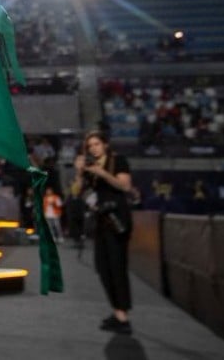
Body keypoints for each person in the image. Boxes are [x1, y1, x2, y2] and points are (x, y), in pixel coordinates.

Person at [73, 130, 133, 335]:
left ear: (105, 144)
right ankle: (117, 311)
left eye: (96, 144)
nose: (93, 148)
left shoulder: (118, 161)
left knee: (117, 267)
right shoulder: (89, 167)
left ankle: (123, 316)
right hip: (100, 221)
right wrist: (80, 172)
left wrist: (102, 173)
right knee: (103, 267)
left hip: (117, 219)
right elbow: (76, 192)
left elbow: (125, 186)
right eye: (89, 146)